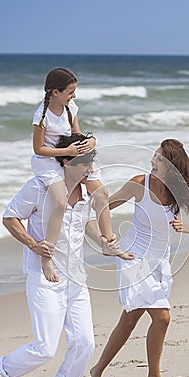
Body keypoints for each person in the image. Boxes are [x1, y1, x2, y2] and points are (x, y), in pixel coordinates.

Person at [0, 134, 121, 377]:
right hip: (44, 275)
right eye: (85, 164)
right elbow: (9, 217)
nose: (90, 170)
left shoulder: (88, 192)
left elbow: (87, 223)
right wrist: (34, 245)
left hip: (76, 276)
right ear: (66, 162)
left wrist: (103, 242)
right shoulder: (40, 188)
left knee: (85, 344)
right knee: (44, 348)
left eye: (92, 163)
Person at [89, 138, 189, 377]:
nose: (152, 161)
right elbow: (104, 205)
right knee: (163, 317)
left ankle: (97, 369)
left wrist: (186, 227)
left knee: (130, 319)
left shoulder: (184, 195)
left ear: (171, 165)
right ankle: (153, 376)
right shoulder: (139, 184)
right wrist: (103, 234)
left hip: (159, 262)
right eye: (154, 157)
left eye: (158, 159)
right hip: (134, 259)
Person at [32, 67, 132, 283]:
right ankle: (46, 256)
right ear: (55, 92)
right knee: (60, 203)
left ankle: (108, 243)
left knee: (102, 194)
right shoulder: (42, 115)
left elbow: (76, 134)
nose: (74, 95)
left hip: (72, 156)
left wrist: (91, 141)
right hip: (50, 160)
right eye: (70, 92)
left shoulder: (71, 107)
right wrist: (67, 152)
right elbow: (38, 149)